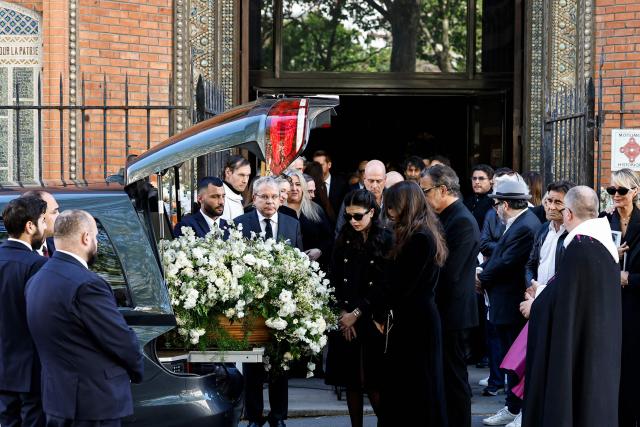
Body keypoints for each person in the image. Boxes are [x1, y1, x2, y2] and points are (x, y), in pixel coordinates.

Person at [25, 210, 144, 427]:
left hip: (56, 399)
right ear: (85, 238)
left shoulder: (36, 280)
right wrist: (136, 370)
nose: (96, 242)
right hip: (92, 402)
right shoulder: (88, 284)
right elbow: (119, 339)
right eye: (96, 236)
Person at [524, 186, 621, 427]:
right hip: (597, 344)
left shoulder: (579, 246)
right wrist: (545, 292)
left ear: (568, 213)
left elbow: (563, 303)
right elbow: (571, 292)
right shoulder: (600, 244)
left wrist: (534, 304)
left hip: (581, 347)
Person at [233, 177, 302, 427]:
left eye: (274, 197)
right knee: (253, 366)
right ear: (254, 199)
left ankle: (278, 416)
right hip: (252, 306)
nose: (270, 201)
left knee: (279, 364)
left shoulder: (291, 224)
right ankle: (254, 416)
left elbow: (299, 266)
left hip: (282, 307)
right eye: (264, 197)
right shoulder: (241, 223)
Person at [381, 181, 449, 426]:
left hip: (415, 322)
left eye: (394, 207)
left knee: (417, 387)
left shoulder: (420, 238)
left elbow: (401, 285)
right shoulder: (420, 233)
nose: (389, 213)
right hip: (414, 317)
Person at [325, 189, 392, 427]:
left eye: (358, 216)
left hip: (372, 317)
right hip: (347, 317)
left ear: (372, 212)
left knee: (374, 381)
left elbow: (384, 283)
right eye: (349, 216)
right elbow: (334, 278)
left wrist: (357, 314)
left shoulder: (385, 238)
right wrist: (343, 313)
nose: (353, 221)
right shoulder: (343, 237)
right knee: (351, 381)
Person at [420, 165, 480, 427]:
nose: (423, 198)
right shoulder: (446, 216)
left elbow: (449, 272)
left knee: (455, 379)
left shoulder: (462, 221)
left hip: (453, 314)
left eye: (426, 191)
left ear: (443, 190)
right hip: (443, 311)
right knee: (442, 377)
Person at [478, 177, 540, 426]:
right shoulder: (519, 222)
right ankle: (512, 407)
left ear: (504, 205)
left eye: (496, 204)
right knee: (509, 359)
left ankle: (517, 409)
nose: (495, 209)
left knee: (516, 362)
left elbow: (506, 262)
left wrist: (482, 277)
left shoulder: (525, 225)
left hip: (513, 303)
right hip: (505, 301)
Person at [0, 197, 48, 427]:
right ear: (30, 226)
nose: (45, 227)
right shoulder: (36, 264)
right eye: (42, 221)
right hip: (31, 367)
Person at [600, 168, 640, 426]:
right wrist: (610, 261)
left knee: (634, 369)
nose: (616, 195)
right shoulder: (603, 222)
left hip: (637, 309)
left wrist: (628, 278)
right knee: (612, 368)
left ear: (635, 192)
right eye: (611, 190)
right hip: (609, 307)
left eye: (622, 190)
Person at [524, 181, 574, 293]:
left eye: (558, 202)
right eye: (549, 201)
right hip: (537, 296)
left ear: (571, 205)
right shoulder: (543, 229)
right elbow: (531, 263)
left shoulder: (575, 235)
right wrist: (531, 285)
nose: (551, 207)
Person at [285, 170, 333, 269]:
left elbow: (328, 238)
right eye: (290, 184)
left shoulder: (315, 209)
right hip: (285, 267)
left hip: (313, 267)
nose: (294, 188)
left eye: (298, 184)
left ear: (303, 187)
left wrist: (320, 250)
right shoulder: (278, 210)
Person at [335, 160, 386, 237]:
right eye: (371, 181)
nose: (375, 186)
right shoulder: (352, 198)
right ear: (364, 179)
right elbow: (339, 230)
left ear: (385, 180)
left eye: (379, 181)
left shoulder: (394, 199)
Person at [22, 190, 60, 256]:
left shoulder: (59, 246)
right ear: (38, 217)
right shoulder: (18, 257)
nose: (59, 216)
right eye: (54, 212)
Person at [313, 150, 349, 216]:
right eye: (315, 165)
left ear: (329, 165)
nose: (317, 169)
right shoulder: (311, 185)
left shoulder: (341, 184)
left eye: (321, 165)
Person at [464, 164, 494, 230]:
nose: (476, 182)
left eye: (481, 178)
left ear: (491, 181)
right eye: (474, 178)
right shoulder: (467, 200)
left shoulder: (495, 202)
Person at [221, 155, 251, 221]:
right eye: (241, 175)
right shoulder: (221, 199)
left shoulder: (235, 195)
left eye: (248, 175)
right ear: (228, 172)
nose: (245, 181)